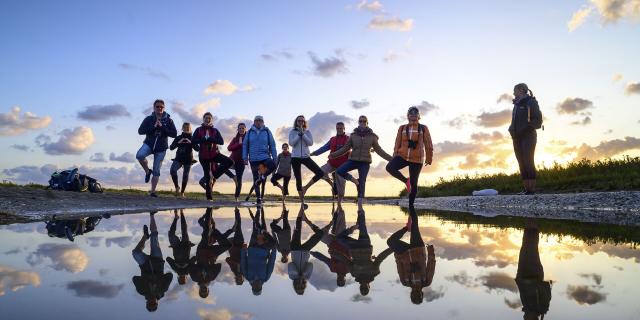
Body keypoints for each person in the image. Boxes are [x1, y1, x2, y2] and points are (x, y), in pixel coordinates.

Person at [330, 115, 393, 211]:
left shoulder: (372, 137)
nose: (362, 122)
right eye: (360, 121)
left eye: (364, 121)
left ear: (367, 123)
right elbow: (345, 148)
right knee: (339, 171)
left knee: (362, 181)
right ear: (358, 123)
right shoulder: (353, 135)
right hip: (353, 160)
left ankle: (360, 205)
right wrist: (334, 154)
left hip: (365, 162)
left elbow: (380, 151)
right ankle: (355, 181)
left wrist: (391, 159)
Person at [335, 211, 393, 296]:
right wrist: (391, 249)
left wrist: (336, 254)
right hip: (363, 245)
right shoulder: (373, 272)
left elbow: (346, 260)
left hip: (356, 247)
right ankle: (360, 209)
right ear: (369, 286)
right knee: (360, 226)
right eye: (365, 288)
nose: (363, 286)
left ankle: (358, 218)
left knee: (339, 238)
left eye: (362, 288)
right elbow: (380, 258)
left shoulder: (355, 273)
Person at [386, 107, 434, 209]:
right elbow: (397, 143)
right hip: (402, 156)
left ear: (418, 116)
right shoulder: (402, 128)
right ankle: (405, 181)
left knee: (414, 182)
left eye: (415, 113)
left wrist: (429, 158)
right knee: (390, 167)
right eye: (410, 113)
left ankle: (410, 205)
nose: (413, 114)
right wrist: (395, 156)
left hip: (417, 158)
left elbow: (428, 143)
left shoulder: (423, 128)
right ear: (407, 116)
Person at [386, 211, 436, 304]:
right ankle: (411, 204)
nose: (416, 294)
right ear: (422, 294)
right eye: (418, 296)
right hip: (418, 249)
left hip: (405, 253)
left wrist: (397, 253)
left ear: (411, 295)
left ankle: (406, 228)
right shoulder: (426, 281)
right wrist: (430, 250)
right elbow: (431, 265)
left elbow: (399, 266)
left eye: (414, 296)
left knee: (390, 242)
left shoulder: (405, 282)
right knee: (415, 225)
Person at [131, 212, 173, 312]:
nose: (152, 302)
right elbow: (170, 275)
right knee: (154, 237)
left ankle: (145, 236)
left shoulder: (142, 291)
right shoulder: (163, 290)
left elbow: (134, 278)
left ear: (146, 303)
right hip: (158, 260)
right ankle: (152, 215)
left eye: (150, 304)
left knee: (136, 253)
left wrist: (147, 282)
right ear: (157, 302)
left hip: (145, 264)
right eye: (154, 304)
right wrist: (158, 281)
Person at [136, 99, 177, 197]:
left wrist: (162, 127)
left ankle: (152, 191)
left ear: (164, 108)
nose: (159, 108)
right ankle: (147, 171)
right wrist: (154, 127)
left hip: (161, 148)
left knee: (156, 170)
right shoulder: (148, 119)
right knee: (140, 155)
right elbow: (140, 131)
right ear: (154, 108)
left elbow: (174, 134)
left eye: (161, 107)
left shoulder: (169, 120)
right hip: (149, 144)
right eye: (157, 106)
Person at [289, 115, 333, 205]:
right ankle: (302, 201)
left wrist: (303, 134)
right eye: (299, 121)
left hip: (306, 157)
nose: (301, 122)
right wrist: (298, 135)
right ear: (296, 122)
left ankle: (305, 188)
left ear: (304, 122)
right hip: (295, 157)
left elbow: (310, 143)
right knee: (298, 179)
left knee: (320, 173)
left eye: (302, 121)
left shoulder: (308, 132)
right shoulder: (292, 132)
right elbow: (291, 143)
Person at [189, 208, 232, 299]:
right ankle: (215, 232)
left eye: (202, 291)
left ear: (199, 290)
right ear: (208, 290)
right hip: (212, 253)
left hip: (202, 251)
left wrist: (199, 265)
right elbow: (219, 266)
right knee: (228, 245)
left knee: (206, 232)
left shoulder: (195, 278)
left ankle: (209, 210)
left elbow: (190, 265)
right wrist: (208, 269)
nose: (204, 290)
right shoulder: (212, 277)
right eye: (205, 291)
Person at [508, 83, 543, 195]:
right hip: (516, 137)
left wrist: (527, 128)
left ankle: (531, 190)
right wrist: (511, 130)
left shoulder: (531, 102)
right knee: (521, 162)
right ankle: (526, 189)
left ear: (522, 90)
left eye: (515, 90)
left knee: (528, 161)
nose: (513, 93)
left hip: (528, 136)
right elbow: (514, 122)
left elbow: (538, 120)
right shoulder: (516, 105)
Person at [287, 205, 330, 295]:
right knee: (320, 234)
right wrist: (303, 275)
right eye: (301, 287)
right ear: (304, 286)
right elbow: (310, 264)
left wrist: (298, 274)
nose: (300, 285)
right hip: (306, 250)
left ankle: (301, 209)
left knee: (297, 228)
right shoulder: (307, 276)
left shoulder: (292, 276)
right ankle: (307, 220)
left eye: (298, 287)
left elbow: (291, 265)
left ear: (295, 286)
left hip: (295, 249)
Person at [192, 112, 234, 201]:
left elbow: (221, 142)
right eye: (206, 118)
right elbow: (193, 141)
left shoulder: (215, 130)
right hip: (203, 156)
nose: (207, 119)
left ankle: (214, 175)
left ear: (211, 120)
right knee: (207, 177)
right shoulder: (198, 130)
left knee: (230, 162)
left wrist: (212, 139)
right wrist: (201, 140)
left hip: (214, 154)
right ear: (203, 119)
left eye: (209, 118)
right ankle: (209, 198)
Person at [515, 220, 552, 319]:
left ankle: (529, 221)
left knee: (525, 247)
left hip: (522, 274)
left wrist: (519, 280)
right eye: (526, 319)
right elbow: (546, 290)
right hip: (534, 273)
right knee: (531, 249)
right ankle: (533, 221)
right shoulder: (541, 308)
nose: (524, 317)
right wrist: (532, 283)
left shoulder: (529, 307)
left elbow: (522, 291)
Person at [310, 122, 350, 209]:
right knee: (320, 172)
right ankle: (332, 183)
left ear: (344, 129)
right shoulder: (332, 139)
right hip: (331, 164)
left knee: (341, 191)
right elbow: (323, 148)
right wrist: (313, 153)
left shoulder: (348, 139)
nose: (339, 130)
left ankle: (339, 203)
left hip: (343, 166)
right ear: (336, 129)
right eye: (338, 128)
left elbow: (358, 146)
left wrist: (369, 149)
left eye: (341, 128)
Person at [310, 206, 351, 288]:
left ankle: (332, 222)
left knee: (320, 236)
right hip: (342, 241)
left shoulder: (333, 269)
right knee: (341, 218)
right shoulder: (349, 269)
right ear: (344, 279)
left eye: (338, 280)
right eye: (341, 280)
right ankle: (340, 207)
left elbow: (324, 259)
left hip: (331, 242)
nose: (340, 279)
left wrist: (312, 252)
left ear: (336, 279)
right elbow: (355, 257)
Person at [240, 207, 277, 295]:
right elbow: (271, 263)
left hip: (252, 247)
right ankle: (263, 227)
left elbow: (243, 262)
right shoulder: (265, 278)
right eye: (258, 288)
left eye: (255, 288)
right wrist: (274, 251)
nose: (256, 286)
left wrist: (243, 250)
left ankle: (258, 209)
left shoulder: (248, 276)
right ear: (261, 287)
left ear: (252, 287)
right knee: (273, 243)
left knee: (255, 228)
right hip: (264, 249)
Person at [242, 115, 278, 204]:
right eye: (257, 120)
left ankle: (262, 176)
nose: (258, 122)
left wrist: (275, 157)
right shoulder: (249, 132)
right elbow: (245, 145)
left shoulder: (267, 131)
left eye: (260, 121)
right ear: (254, 122)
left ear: (263, 122)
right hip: (253, 159)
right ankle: (258, 198)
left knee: (273, 165)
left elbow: (272, 144)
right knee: (255, 178)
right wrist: (245, 157)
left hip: (265, 157)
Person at [166, 209, 195, 285]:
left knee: (176, 232)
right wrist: (182, 264)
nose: (182, 277)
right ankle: (181, 214)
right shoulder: (186, 270)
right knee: (183, 230)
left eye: (181, 279)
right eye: (183, 279)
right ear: (185, 278)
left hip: (179, 246)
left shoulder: (178, 269)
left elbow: (167, 259)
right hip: (184, 246)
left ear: (178, 278)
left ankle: (177, 216)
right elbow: (168, 259)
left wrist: (181, 264)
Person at [169, 123, 197, 198]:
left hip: (188, 159)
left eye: (188, 127)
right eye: (185, 127)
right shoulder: (178, 137)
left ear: (190, 128)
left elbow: (197, 149)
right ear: (182, 128)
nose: (186, 128)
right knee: (172, 170)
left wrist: (191, 143)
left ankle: (182, 193)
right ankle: (177, 187)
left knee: (185, 175)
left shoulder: (192, 138)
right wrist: (178, 143)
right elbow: (171, 148)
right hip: (178, 158)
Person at [225, 207, 246, 285]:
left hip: (232, 246)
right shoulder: (245, 270)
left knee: (223, 240)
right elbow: (246, 258)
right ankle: (237, 212)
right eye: (241, 279)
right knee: (238, 227)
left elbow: (227, 259)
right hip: (240, 244)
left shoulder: (233, 269)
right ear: (243, 278)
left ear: (236, 278)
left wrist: (236, 262)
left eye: (238, 279)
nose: (239, 278)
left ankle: (236, 212)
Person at [226, 123, 248, 202]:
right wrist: (238, 144)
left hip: (241, 161)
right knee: (222, 167)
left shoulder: (248, 139)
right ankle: (233, 176)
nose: (241, 130)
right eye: (240, 128)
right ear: (238, 129)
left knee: (239, 179)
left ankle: (236, 197)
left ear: (245, 129)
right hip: (232, 159)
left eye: (243, 128)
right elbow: (229, 148)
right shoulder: (235, 138)